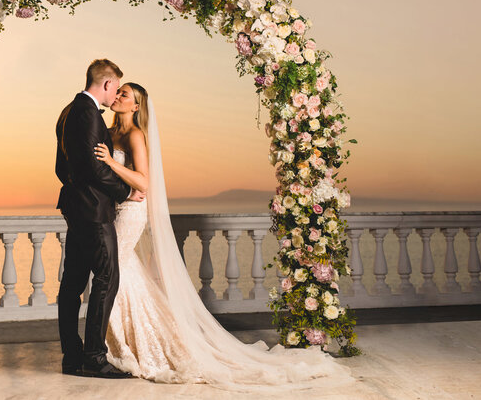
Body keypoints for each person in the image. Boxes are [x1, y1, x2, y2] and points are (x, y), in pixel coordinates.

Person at [93, 82, 358, 393]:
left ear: (136, 107)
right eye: (119, 92)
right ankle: (131, 340)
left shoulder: (135, 135)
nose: (118, 96)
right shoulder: (109, 133)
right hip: (114, 208)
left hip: (130, 212)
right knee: (119, 271)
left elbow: (144, 181)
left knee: (114, 268)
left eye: (126, 95)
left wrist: (111, 163)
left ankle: (135, 343)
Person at [55, 59, 145, 379]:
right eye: (115, 88)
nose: (115, 95)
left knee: (73, 283)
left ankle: (72, 355)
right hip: (93, 211)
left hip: (76, 209)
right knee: (108, 278)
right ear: (106, 84)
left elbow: (60, 169)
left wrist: (77, 192)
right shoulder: (90, 114)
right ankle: (94, 355)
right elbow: (95, 168)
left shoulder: (68, 112)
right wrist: (125, 193)